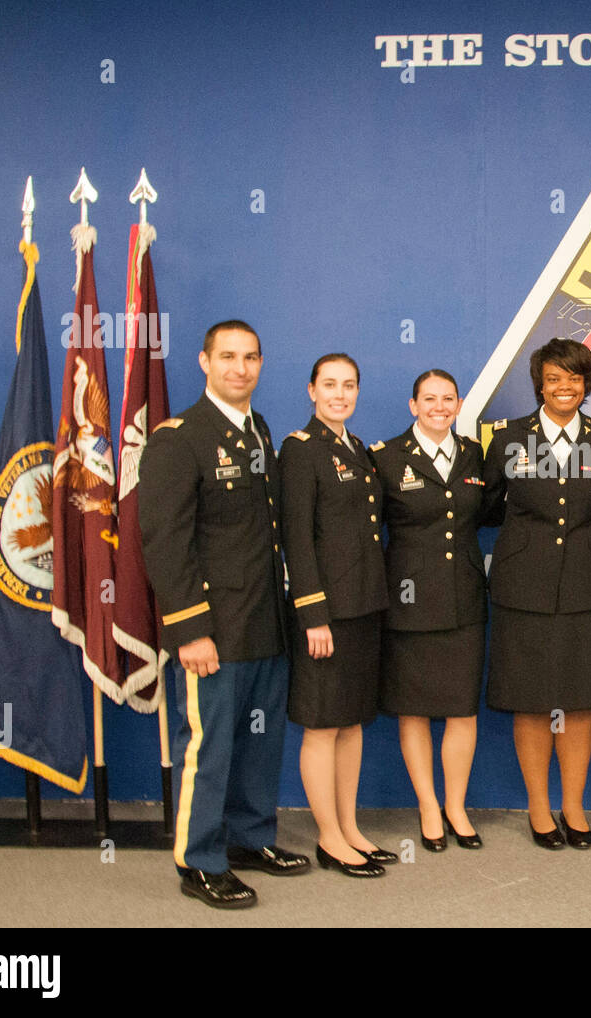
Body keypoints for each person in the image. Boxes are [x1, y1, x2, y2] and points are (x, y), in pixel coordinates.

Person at [140, 320, 309, 909]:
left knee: (258, 744)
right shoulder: (178, 438)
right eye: (229, 357)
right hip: (211, 625)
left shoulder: (257, 429)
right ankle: (200, 860)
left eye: (251, 357)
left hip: (263, 620)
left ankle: (248, 838)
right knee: (207, 746)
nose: (241, 368)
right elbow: (164, 541)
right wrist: (190, 629)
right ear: (204, 362)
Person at [482, 338, 591, 849]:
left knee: (580, 701)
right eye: (555, 378)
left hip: (588, 586)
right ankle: (539, 810)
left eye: (575, 378)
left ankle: (574, 807)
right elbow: (486, 507)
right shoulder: (508, 440)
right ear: (540, 383)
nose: (565, 387)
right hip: (524, 587)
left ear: (586, 384)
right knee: (532, 701)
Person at [278, 353, 391, 878]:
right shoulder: (301, 452)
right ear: (311, 390)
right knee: (323, 726)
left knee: (352, 723)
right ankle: (327, 836)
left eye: (348, 385)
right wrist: (313, 615)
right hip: (326, 615)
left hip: (364, 608)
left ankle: (350, 828)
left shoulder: (358, 451)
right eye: (329, 385)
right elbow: (296, 540)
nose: (339, 394)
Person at [370, 370, 487, 851]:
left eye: (448, 398)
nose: (439, 406)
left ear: (458, 405)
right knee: (413, 709)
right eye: (429, 398)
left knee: (462, 708)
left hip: (464, 599)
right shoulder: (384, 457)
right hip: (410, 601)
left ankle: (456, 806)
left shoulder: (474, 454)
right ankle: (427, 806)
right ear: (413, 404)